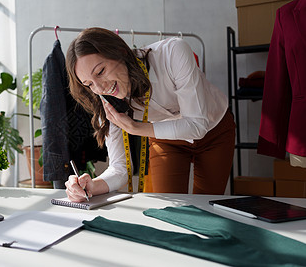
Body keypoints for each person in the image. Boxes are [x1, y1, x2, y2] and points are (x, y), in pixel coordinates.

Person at [65, 27, 235, 202]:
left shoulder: (173, 53)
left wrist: (136, 128)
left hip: (214, 130)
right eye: (89, 84)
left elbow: (197, 126)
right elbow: (120, 169)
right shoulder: (106, 101)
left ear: (120, 52)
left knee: (207, 206)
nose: (100, 88)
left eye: (100, 72)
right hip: (166, 141)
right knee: (169, 210)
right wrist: (93, 185)